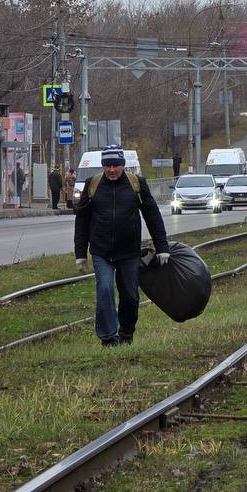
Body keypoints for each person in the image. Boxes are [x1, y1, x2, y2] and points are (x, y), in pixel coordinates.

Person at [73, 145, 170, 347]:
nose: (111, 170)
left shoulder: (136, 184)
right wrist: (80, 253)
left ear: (123, 165)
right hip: (101, 251)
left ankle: (126, 333)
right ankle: (109, 338)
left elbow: (152, 216)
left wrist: (162, 247)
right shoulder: (93, 184)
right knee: (105, 290)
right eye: (107, 165)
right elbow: (82, 220)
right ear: (102, 166)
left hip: (129, 251)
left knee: (130, 295)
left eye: (116, 165)